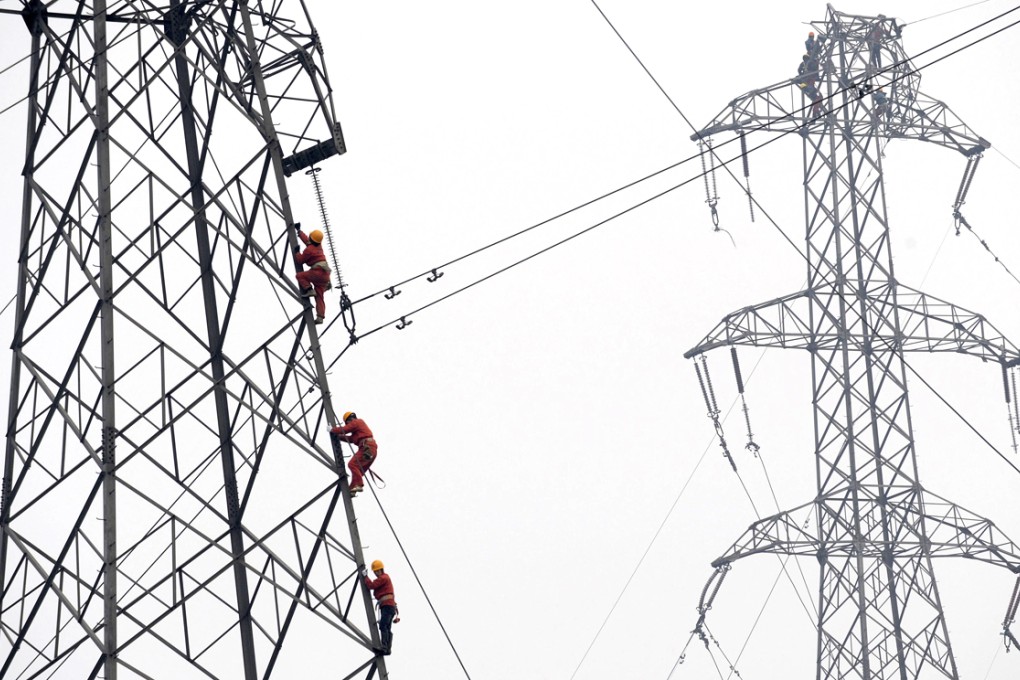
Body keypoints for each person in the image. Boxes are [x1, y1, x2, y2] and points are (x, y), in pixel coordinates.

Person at [331, 411, 377, 495]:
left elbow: (345, 429)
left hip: (367, 447)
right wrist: (338, 437)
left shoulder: (357, 422)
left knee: (352, 464)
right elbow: (351, 439)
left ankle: (359, 484)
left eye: (347, 423)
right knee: (357, 471)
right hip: (370, 449)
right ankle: (352, 488)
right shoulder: (358, 431)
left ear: (349, 420)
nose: (348, 424)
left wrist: (333, 430)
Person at [293, 224, 332, 325]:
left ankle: (309, 289)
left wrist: (297, 252)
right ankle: (320, 317)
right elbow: (307, 240)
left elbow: (300, 261)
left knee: (300, 276)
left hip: (317, 272)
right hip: (325, 275)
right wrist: (299, 231)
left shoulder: (309, 250)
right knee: (319, 296)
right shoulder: (318, 246)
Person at [361, 559, 398, 655]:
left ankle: (384, 647)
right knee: (386, 627)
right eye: (375, 571)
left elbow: (371, 585)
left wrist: (365, 577)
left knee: (383, 625)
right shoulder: (385, 578)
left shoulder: (383, 578)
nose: (376, 573)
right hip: (388, 606)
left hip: (388, 606)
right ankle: (387, 649)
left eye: (377, 571)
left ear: (381, 570)